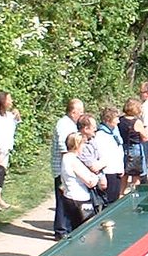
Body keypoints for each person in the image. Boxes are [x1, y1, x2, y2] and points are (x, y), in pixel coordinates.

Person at [50, 98, 84, 239]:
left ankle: (66, 228)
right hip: (62, 169)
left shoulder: (70, 123)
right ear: (73, 111)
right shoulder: (64, 125)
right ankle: (61, 231)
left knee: (67, 199)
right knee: (63, 199)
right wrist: (70, 167)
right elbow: (65, 147)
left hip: (66, 168)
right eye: (81, 111)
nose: (82, 114)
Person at [60, 133, 105, 229]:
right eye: (83, 144)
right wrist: (96, 176)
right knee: (87, 228)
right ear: (77, 145)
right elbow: (90, 182)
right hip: (80, 199)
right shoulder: (74, 161)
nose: (84, 147)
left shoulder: (65, 158)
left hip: (69, 197)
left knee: (74, 226)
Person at [92, 105, 125, 204]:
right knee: (108, 201)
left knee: (115, 200)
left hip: (116, 171)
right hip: (108, 172)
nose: (118, 121)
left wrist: (121, 167)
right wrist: (102, 177)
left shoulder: (114, 132)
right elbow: (101, 157)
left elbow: (118, 151)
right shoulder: (100, 135)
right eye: (116, 118)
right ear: (108, 119)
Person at [119, 97, 148, 194]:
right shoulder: (137, 122)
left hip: (122, 148)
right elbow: (145, 138)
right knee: (136, 176)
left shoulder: (120, 120)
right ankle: (134, 194)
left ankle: (121, 194)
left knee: (124, 175)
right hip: (135, 149)